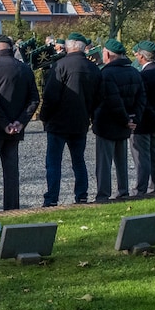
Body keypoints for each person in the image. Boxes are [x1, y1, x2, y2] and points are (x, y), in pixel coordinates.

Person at [0, 35, 39, 212]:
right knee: (11, 173)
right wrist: (20, 122)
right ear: (11, 49)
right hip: (15, 129)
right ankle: (12, 210)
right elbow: (34, 99)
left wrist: (4, 123)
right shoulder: (25, 69)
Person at [38, 33, 99, 207]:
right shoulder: (93, 68)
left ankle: (52, 198)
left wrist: (44, 116)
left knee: (54, 162)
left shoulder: (60, 65)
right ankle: (81, 195)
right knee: (78, 161)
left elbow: (50, 95)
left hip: (58, 122)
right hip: (80, 121)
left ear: (69, 46)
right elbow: (98, 97)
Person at [92, 39, 145, 202]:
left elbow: (112, 101)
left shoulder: (106, 74)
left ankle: (103, 193)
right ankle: (123, 190)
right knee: (121, 160)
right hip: (126, 122)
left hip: (108, 123)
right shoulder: (134, 72)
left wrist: (125, 120)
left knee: (104, 162)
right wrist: (133, 118)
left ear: (107, 54)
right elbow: (141, 98)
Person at [131, 41, 155, 195]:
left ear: (141, 56)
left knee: (142, 156)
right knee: (154, 154)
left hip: (145, 120)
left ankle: (141, 187)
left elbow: (143, 100)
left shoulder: (144, 75)